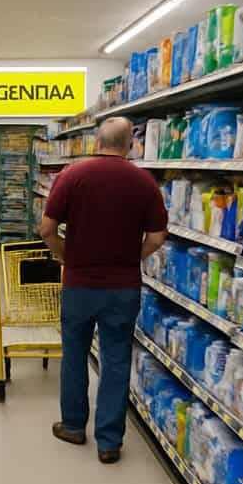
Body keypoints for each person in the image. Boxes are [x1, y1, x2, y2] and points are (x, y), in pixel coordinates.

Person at [39, 117, 168, 463]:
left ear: (97, 141)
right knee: (115, 360)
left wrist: (66, 256)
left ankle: (73, 425)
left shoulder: (72, 176)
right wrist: (132, 258)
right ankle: (109, 442)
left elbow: (47, 228)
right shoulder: (144, 182)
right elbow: (156, 237)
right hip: (123, 288)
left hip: (79, 284)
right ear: (130, 144)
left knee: (75, 355)